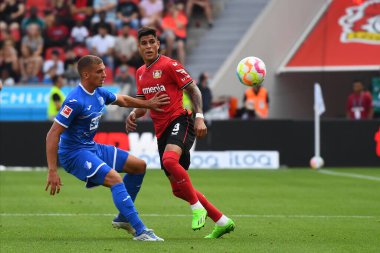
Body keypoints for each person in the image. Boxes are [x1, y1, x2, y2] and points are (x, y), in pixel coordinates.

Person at [126, 27, 235, 238]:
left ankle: (197, 208)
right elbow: (143, 105)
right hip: (161, 131)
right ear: (139, 47)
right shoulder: (140, 73)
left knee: (169, 161)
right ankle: (222, 221)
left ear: (158, 44)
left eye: (152, 42)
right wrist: (133, 114)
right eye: (144, 43)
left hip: (181, 120)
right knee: (178, 190)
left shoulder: (170, 65)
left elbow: (193, 89)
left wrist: (200, 117)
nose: (148, 46)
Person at [45, 55, 169, 241]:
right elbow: (52, 134)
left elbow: (124, 100)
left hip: (91, 147)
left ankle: (123, 218)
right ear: (86, 75)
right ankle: (141, 231)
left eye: (104, 69)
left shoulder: (99, 93)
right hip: (74, 154)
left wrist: (148, 104)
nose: (104, 74)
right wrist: (52, 170)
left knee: (139, 166)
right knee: (114, 178)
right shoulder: (74, 101)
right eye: (99, 71)